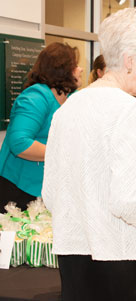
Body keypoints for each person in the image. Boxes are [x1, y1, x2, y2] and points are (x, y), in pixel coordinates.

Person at [42, 7, 136, 300]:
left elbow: (51, 194)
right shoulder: (129, 110)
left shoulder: (67, 109)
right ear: (129, 60)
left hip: (74, 260)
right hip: (124, 261)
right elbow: (128, 204)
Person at [0, 42, 82, 212]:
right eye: (75, 65)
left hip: (47, 188)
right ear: (63, 69)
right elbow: (20, 143)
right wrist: (62, 152)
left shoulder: (71, 98)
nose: (80, 69)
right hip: (18, 189)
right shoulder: (36, 97)